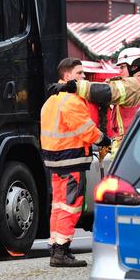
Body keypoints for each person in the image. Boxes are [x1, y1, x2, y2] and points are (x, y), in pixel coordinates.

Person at [41, 58, 111, 267]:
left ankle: (55, 245)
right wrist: (103, 139)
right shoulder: (71, 101)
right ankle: (61, 250)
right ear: (67, 76)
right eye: (79, 73)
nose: (83, 77)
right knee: (71, 205)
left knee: (58, 205)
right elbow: (86, 130)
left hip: (55, 160)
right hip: (71, 159)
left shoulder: (51, 100)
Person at [52, 48, 140, 157]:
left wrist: (75, 86)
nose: (120, 71)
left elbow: (107, 91)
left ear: (134, 67)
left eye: (122, 67)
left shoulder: (135, 84)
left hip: (133, 148)